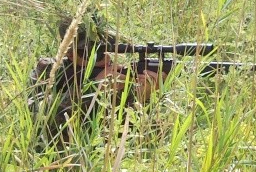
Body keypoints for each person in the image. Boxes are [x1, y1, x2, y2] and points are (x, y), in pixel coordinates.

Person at [29, 13, 166, 145]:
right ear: (70, 54)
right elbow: (41, 122)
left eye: (108, 50)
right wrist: (92, 89)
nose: (105, 57)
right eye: (94, 53)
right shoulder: (49, 71)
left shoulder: (120, 77)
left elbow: (151, 137)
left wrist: (142, 97)